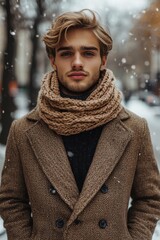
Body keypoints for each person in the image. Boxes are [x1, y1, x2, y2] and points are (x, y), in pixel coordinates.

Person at [0, 9, 160, 240]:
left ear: (103, 60)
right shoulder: (23, 130)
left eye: (88, 53)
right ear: (53, 60)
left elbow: (150, 198)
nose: (77, 62)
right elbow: (11, 200)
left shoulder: (134, 129)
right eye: (66, 53)